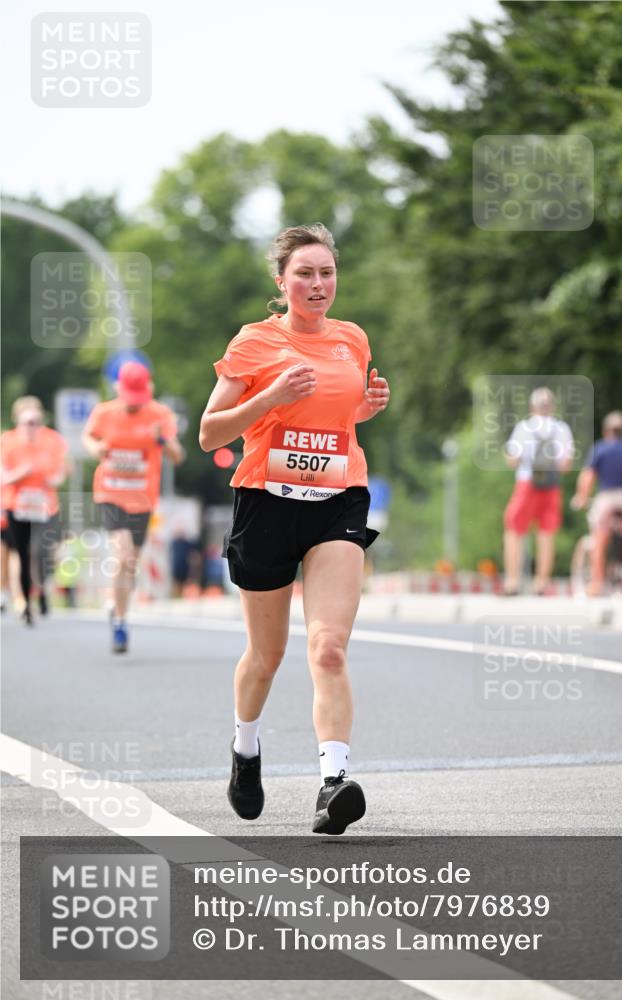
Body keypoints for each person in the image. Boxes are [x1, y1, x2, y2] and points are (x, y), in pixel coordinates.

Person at [199, 223, 390, 835]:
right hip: (266, 503)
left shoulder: (352, 340)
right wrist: (271, 395)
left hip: (337, 499)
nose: (317, 284)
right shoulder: (254, 343)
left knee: (328, 646)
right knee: (267, 654)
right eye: (304, 273)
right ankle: (245, 749)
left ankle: (333, 784)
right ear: (281, 283)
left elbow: (338, 414)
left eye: (326, 273)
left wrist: (366, 407)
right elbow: (210, 433)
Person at [82, 362, 184, 652]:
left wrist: (161, 439)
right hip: (110, 493)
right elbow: (89, 437)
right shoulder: (104, 412)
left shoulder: (160, 415)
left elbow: (177, 456)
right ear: (118, 388)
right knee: (123, 553)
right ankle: (120, 624)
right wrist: (96, 449)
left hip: (142, 498)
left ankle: (117, 605)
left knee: (131, 562)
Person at [0, 396, 70, 624]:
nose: (33, 427)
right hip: (16, 506)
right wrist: (21, 473)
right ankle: (23, 601)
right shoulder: (7, 441)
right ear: (17, 421)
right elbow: (3, 476)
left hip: (45, 507)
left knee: (40, 552)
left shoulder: (53, 440)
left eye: (37, 421)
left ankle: (41, 590)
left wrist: (54, 479)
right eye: (27, 422)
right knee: (18, 553)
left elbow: (63, 470)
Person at [502, 387, 574, 595]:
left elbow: (512, 460)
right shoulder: (562, 429)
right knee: (546, 534)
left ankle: (512, 581)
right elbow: (566, 465)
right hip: (551, 485)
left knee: (513, 530)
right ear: (552, 406)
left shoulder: (524, 428)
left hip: (526, 483)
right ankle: (541, 582)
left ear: (532, 406)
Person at [571, 411, 622, 596]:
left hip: (609, 499)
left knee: (599, 536)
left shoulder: (601, 448)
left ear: (606, 431)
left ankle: (596, 583)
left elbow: (588, 477)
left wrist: (581, 497)